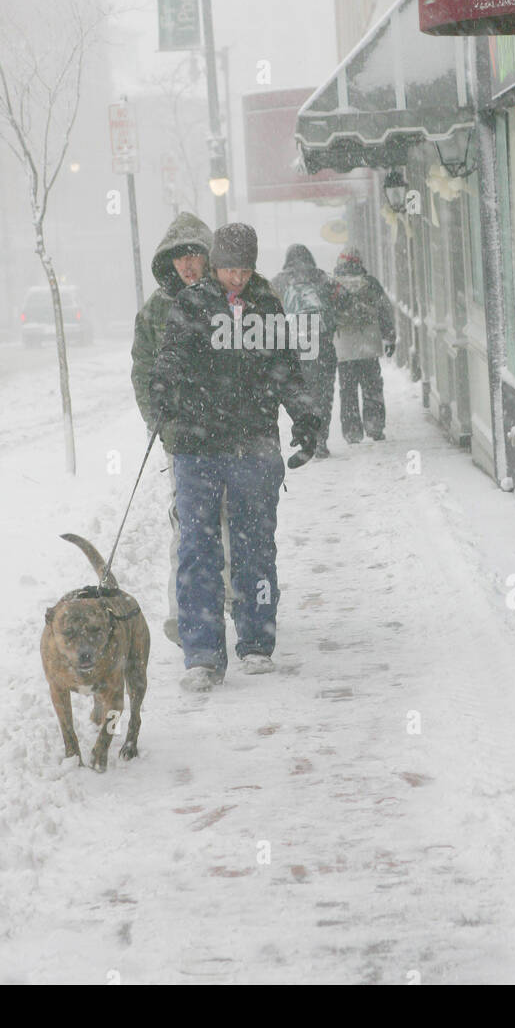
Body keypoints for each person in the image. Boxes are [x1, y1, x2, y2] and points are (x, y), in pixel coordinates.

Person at [150, 222, 320, 691]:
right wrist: (162, 390)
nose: (237, 278)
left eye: (244, 269)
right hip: (196, 446)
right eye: (229, 268)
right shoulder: (190, 306)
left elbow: (286, 369)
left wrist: (304, 415)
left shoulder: (266, 306)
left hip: (253, 442)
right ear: (214, 264)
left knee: (255, 546)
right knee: (197, 549)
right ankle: (201, 652)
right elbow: (169, 358)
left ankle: (256, 641)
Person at [131, 211, 230, 646]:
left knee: (233, 518)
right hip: (184, 441)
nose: (188, 264)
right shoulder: (156, 311)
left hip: (233, 433)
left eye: (195, 255)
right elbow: (143, 369)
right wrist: (161, 421)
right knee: (189, 525)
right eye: (179, 258)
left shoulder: (230, 299)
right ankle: (183, 611)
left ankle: (230, 592)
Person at [271, 243, 341, 459]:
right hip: (322, 346)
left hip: (294, 347)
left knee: (300, 394)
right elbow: (341, 301)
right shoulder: (322, 278)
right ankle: (321, 439)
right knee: (323, 395)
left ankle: (306, 436)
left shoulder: (278, 282)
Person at [331, 247, 396, 444]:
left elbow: (326, 315)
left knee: (348, 390)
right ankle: (375, 426)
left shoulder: (332, 286)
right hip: (369, 346)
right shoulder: (370, 283)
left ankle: (352, 432)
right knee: (372, 387)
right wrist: (389, 336)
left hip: (344, 349)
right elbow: (384, 310)